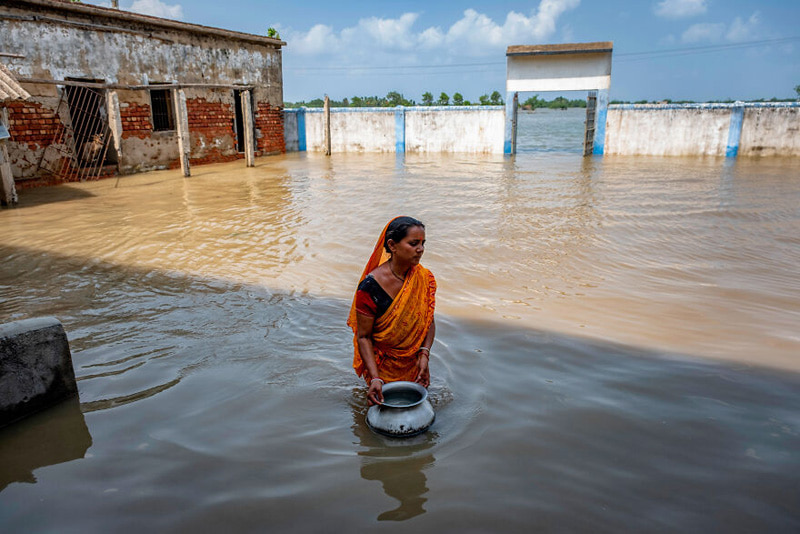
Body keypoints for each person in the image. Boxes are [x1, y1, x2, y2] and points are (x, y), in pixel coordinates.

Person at [347, 216, 436, 406]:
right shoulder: (370, 287)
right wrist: (375, 378)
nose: (420, 249)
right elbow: (364, 337)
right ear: (392, 246)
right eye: (413, 243)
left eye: (422, 243)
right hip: (382, 367)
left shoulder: (422, 277)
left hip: (415, 365)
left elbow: (428, 320)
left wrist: (424, 355)